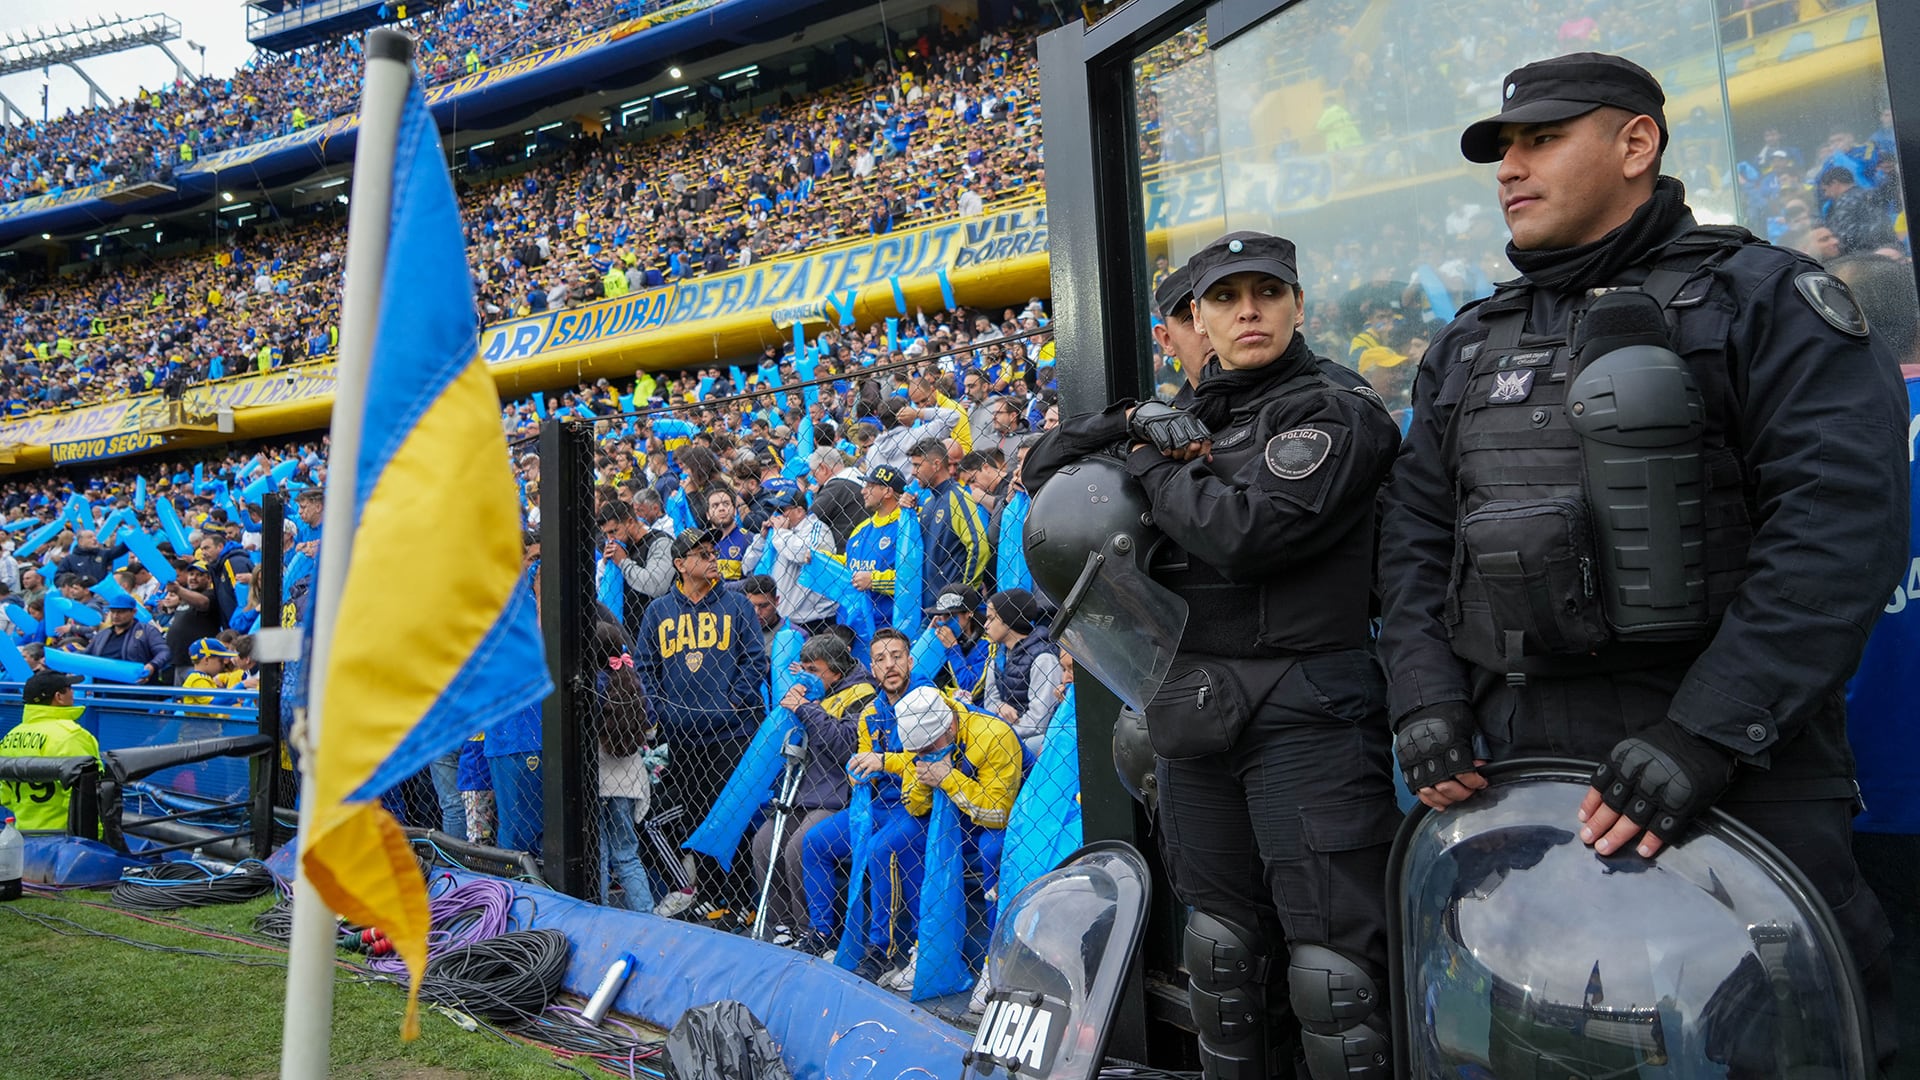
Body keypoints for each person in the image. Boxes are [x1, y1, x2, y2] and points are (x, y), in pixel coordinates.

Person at [1380, 50, 1909, 1064]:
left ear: (1636, 142)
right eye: (1502, 148)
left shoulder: (1763, 299)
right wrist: (1423, 694)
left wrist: (1705, 735)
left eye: (1541, 139)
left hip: (1732, 775)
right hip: (1515, 765)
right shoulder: (1468, 344)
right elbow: (1413, 538)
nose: (1509, 167)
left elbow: (1839, 534)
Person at [1025, 229, 1404, 1078]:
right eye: (1225, 300)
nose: (1248, 313)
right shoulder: (1190, 419)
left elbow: (1248, 535)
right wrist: (1132, 421)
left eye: (1266, 294)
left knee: (1338, 982)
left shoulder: (1334, 408)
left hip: (1312, 716)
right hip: (1196, 720)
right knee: (1223, 965)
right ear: (1196, 319)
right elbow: (1041, 466)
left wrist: (1153, 467)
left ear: (1297, 305)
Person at [637, 528, 769, 919]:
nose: (712, 558)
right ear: (680, 565)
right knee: (696, 813)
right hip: (682, 734)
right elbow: (645, 668)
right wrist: (662, 712)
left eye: (713, 551)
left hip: (732, 732)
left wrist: (732, 701)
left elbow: (754, 660)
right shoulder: (659, 611)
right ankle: (712, 894)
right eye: (701, 553)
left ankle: (743, 897)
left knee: (734, 813)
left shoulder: (737, 605)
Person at [754, 632, 877, 949]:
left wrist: (806, 708)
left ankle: (814, 930)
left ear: (836, 670)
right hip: (800, 791)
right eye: (803, 668)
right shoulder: (816, 689)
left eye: (815, 669)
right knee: (764, 842)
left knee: (800, 846)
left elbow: (845, 746)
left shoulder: (863, 695)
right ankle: (783, 925)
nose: (808, 676)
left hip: (838, 796)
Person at [0, 672, 95, 833]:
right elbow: (88, 795)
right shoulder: (72, 735)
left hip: (25, 835)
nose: (73, 692)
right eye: (69, 688)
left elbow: (4, 794)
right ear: (58, 696)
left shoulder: (11, 736)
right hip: (64, 840)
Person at [977, 588, 1063, 757]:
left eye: (991, 618)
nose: (985, 625)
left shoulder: (1043, 658)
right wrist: (999, 706)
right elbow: (990, 701)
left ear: (1008, 620)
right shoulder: (999, 655)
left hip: (1030, 740)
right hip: (1005, 731)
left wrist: (1003, 732)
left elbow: (1039, 722)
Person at [739, 490, 839, 636]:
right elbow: (747, 566)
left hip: (814, 621)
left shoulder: (818, 529)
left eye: (782, 510)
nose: (776, 516)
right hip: (780, 622)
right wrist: (761, 539)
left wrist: (781, 533)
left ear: (799, 511)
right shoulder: (777, 534)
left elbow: (802, 554)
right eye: (774, 511)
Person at [909, 437, 990, 607]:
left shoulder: (957, 498)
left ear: (936, 464)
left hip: (951, 609)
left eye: (917, 465)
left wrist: (963, 597)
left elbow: (979, 547)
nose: (913, 472)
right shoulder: (929, 503)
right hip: (929, 606)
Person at [845, 464, 907, 623]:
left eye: (870, 486)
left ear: (887, 491)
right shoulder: (862, 528)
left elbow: (913, 579)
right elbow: (848, 562)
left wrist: (874, 581)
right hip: (858, 623)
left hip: (891, 624)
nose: (863, 491)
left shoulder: (907, 526)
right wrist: (821, 556)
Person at [926, 586, 991, 699]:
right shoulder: (942, 640)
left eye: (950, 615)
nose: (944, 621)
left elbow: (970, 689)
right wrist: (928, 640)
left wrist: (953, 649)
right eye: (941, 615)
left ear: (969, 613)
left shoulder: (987, 643)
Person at [87, 594, 170, 683]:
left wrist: (152, 665)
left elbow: (164, 652)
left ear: (134, 612)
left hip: (135, 690)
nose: (115, 615)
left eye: (121, 612)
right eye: (113, 611)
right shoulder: (102, 634)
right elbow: (86, 655)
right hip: (102, 691)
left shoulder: (147, 631)